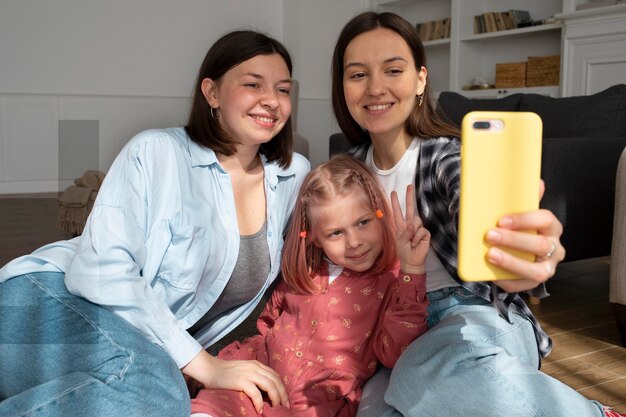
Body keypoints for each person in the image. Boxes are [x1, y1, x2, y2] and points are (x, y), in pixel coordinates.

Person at [0, 30, 309, 417]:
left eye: (282, 89)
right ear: (211, 93)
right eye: (252, 84)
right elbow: (99, 271)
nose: (272, 100)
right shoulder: (157, 151)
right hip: (46, 303)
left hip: (132, 350)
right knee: (156, 389)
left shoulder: (293, 175)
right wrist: (201, 363)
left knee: (150, 389)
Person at [330, 11, 625, 417]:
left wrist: (519, 259)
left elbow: (472, 197)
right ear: (342, 87)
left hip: (472, 313)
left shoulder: (447, 157)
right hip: (394, 328)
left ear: (419, 80)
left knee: (421, 373)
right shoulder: (346, 173)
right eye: (358, 74)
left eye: (392, 69)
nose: (375, 87)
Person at [190, 154, 430, 417]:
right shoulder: (305, 273)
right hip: (257, 376)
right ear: (314, 237)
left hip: (316, 402)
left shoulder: (392, 282)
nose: (354, 242)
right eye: (336, 233)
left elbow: (396, 352)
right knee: (208, 409)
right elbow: (269, 320)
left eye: (363, 223)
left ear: (379, 215)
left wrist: (412, 270)